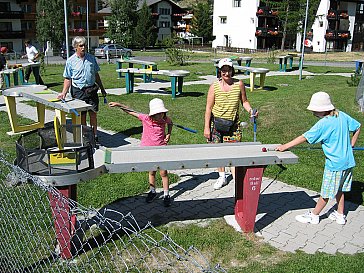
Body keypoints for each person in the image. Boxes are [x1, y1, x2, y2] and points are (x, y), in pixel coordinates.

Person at [276, 91, 361, 225]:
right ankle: (340, 214)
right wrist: (352, 144)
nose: (313, 113)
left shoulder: (323, 124)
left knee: (326, 192)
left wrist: (285, 146)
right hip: (348, 162)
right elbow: (357, 127)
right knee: (339, 189)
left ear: (322, 110)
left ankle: (314, 215)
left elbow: (305, 137)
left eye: (315, 110)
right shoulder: (342, 115)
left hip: (334, 164)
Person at [204, 58, 257, 190]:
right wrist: (206, 128)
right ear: (220, 71)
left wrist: (251, 110)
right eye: (223, 70)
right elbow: (208, 108)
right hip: (216, 125)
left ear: (232, 70)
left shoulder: (239, 84)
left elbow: (244, 101)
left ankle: (237, 182)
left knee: (234, 153)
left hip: (233, 125)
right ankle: (222, 176)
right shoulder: (214, 86)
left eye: (228, 70)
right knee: (217, 152)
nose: (226, 73)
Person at [108, 98, 173, 207]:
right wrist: (118, 104)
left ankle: (166, 194)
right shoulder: (145, 118)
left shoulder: (165, 119)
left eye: (162, 113)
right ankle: (152, 191)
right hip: (148, 150)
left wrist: (168, 134)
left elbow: (171, 123)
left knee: (163, 172)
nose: (160, 116)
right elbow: (130, 111)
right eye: (158, 114)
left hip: (161, 149)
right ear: (153, 114)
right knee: (152, 172)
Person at [57, 36, 107, 141]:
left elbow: (96, 74)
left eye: (84, 45)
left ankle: (94, 135)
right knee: (82, 115)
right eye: (81, 46)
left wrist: (102, 88)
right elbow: (67, 78)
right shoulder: (70, 61)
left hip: (91, 89)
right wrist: (63, 93)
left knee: (93, 113)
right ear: (75, 47)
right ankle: (85, 136)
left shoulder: (91, 58)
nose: (83, 48)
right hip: (79, 91)